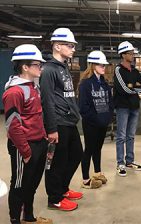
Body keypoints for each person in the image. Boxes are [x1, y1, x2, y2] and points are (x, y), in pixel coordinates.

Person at [2, 44, 52, 224]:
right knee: (19, 185)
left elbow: (37, 116)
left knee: (31, 184)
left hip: (39, 142)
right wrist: (26, 151)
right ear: (25, 67)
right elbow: (13, 125)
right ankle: (15, 220)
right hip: (23, 146)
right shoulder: (14, 92)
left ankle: (28, 218)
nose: (41, 68)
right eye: (37, 65)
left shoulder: (33, 87)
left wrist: (44, 138)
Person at [40, 27, 83, 211]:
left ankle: (63, 188)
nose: (73, 48)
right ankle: (55, 198)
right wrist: (51, 128)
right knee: (56, 162)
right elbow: (47, 100)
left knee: (76, 155)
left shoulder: (64, 67)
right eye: (70, 45)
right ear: (57, 46)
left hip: (69, 121)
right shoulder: (48, 70)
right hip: (57, 123)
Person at [78, 51, 114, 188]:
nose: (104, 67)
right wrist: (96, 119)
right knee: (89, 149)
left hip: (102, 122)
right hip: (91, 124)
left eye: (104, 65)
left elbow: (110, 102)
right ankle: (85, 180)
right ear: (93, 65)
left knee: (98, 149)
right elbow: (83, 107)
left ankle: (98, 173)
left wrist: (108, 116)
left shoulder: (104, 83)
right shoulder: (85, 84)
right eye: (101, 65)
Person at [113, 41, 141, 177]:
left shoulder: (135, 71)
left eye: (133, 53)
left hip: (134, 107)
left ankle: (129, 161)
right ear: (123, 54)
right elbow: (124, 89)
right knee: (121, 136)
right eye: (130, 53)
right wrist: (134, 88)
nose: (132, 55)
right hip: (123, 107)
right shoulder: (118, 70)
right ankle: (120, 163)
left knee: (131, 136)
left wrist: (133, 87)